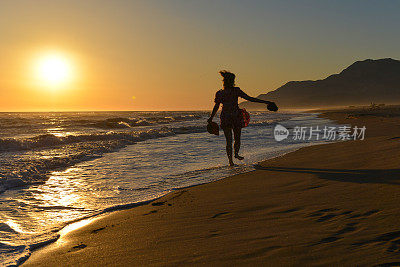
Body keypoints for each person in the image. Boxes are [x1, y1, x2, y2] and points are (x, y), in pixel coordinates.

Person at [208, 70, 277, 166]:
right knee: (237, 139)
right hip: (235, 116)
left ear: (224, 81)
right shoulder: (235, 91)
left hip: (226, 117)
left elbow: (216, 106)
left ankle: (230, 161)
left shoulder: (220, 93)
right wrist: (266, 102)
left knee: (229, 140)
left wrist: (211, 117)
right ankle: (235, 154)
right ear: (232, 81)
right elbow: (250, 99)